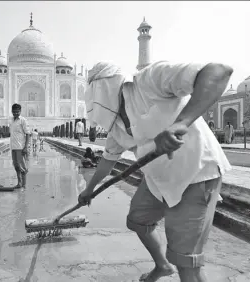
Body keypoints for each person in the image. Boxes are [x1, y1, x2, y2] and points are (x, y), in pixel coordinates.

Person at [79, 61, 233, 282]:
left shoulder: (149, 81)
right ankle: (163, 265)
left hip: (194, 173)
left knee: (186, 261)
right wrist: (89, 190)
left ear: (102, 88)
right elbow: (107, 161)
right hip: (158, 180)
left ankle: (176, 265)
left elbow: (219, 71)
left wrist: (181, 122)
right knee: (137, 220)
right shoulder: (116, 125)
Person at [10, 103, 30, 188]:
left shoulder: (23, 120)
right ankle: (19, 183)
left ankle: (24, 185)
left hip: (20, 147)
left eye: (17, 112)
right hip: (13, 147)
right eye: (14, 112)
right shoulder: (11, 120)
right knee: (16, 166)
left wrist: (25, 147)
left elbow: (28, 134)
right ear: (12, 111)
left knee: (22, 166)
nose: (15, 113)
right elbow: (10, 133)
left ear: (20, 111)